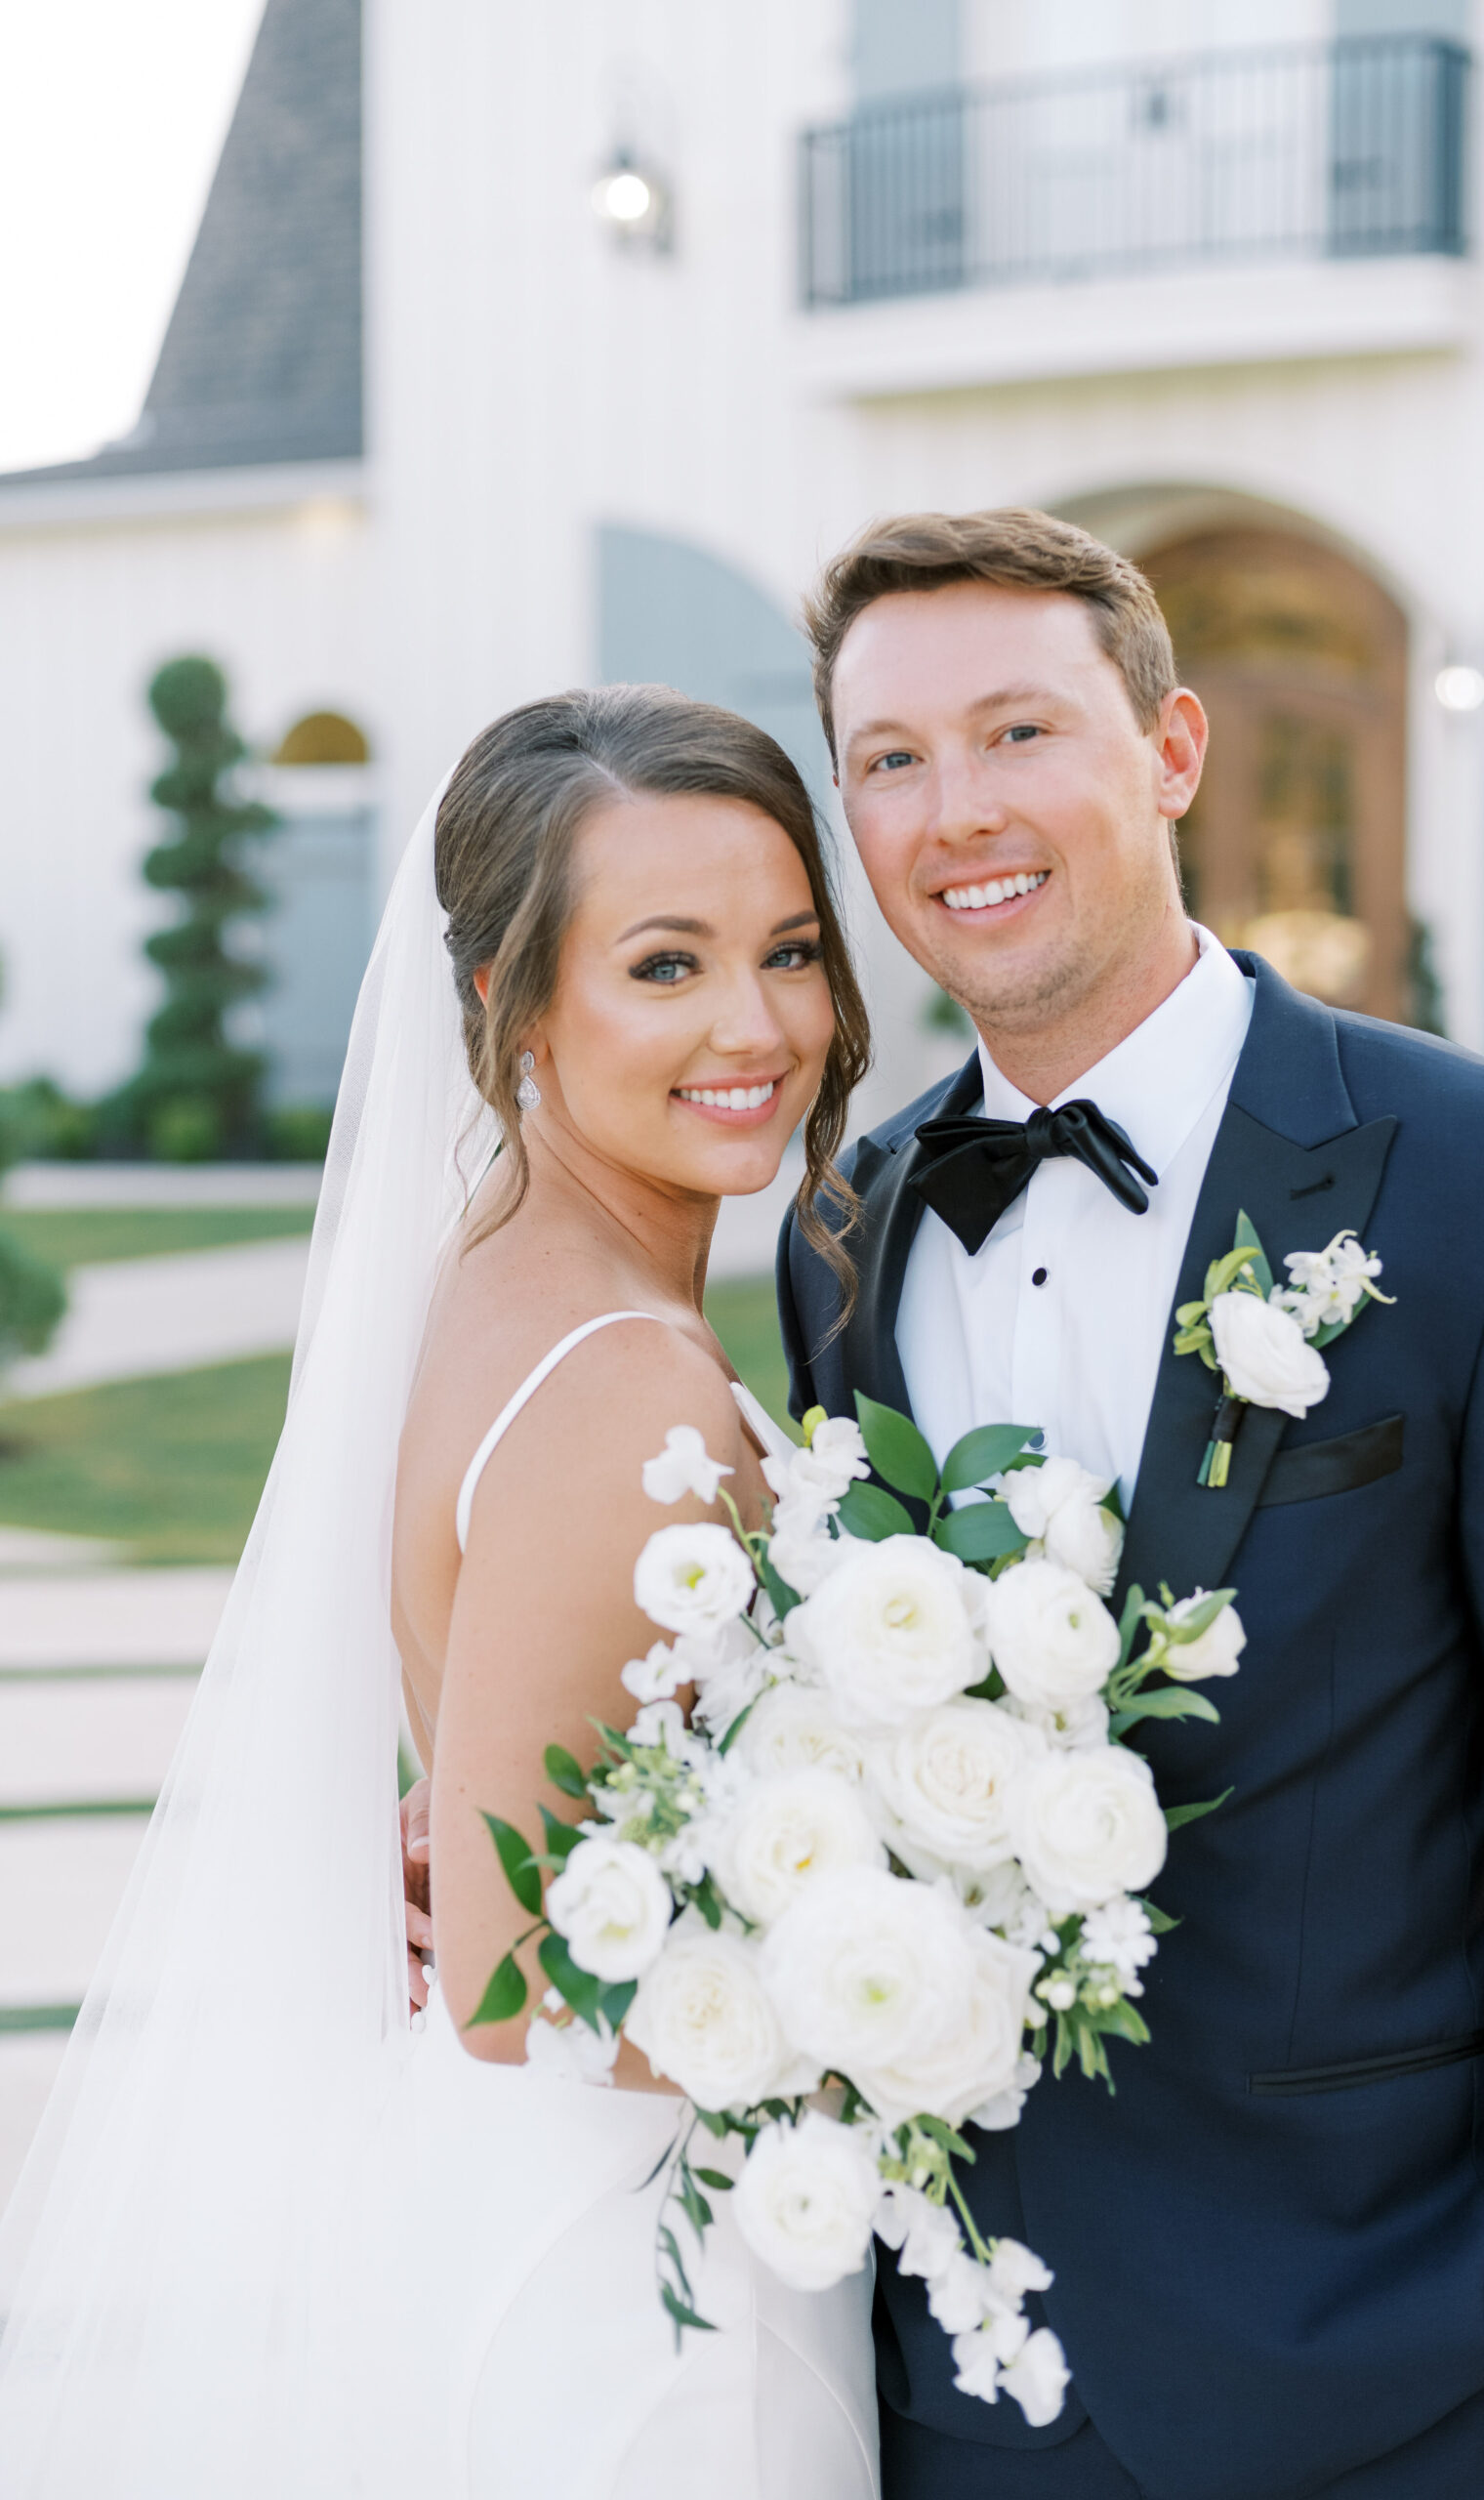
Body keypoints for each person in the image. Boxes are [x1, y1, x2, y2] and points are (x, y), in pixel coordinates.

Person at [775, 510, 1484, 2499]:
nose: (955, 809)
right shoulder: (847, 1226)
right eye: (890, 757)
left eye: (1019, 729)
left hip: (1395, 2361)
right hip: (961, 2371)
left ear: (1172, 750)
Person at [0, 687, 882, 2498]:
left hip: (553, 2226)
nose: (758, 1025)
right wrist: (930, 1980)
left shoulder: (489, 1272)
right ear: (508, 1002)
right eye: (664, 965)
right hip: (657, 2296)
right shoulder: (617, 1378)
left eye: (790, 951)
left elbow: (520, 1810)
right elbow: (518, 1981)